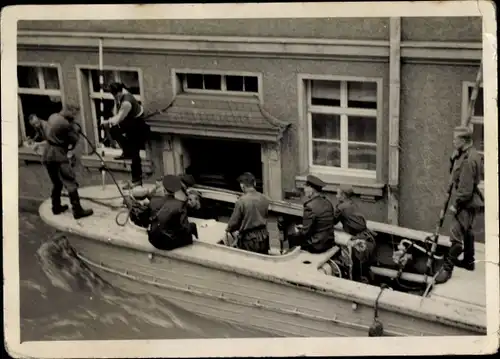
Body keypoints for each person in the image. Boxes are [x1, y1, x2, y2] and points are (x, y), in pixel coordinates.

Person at [435, 126, 484, 284]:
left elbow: (465, 189)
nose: (453, 141)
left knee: (456, 237)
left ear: (464, 141)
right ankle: (469, 261)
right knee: (467, 230)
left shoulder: (468, 160)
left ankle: (447, 270)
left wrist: (455, 205)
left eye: (455, 139)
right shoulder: (470, 153)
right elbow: (456, 173)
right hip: (470, 201)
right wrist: (453, 158)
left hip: (465, 202)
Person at [43, 106, 93, 219]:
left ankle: (55, 207)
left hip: (47, 154)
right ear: (70, 112)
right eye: (75, 114)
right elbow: (73, 140)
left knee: (57, 182)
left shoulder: (52, 116)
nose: (75, 116)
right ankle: (77, 210)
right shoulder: (66, 124)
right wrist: (76, 130)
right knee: (70, 181)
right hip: (58, 155)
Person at [101, 82, 151, 190]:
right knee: (114, 130)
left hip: (138, 125)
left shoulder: (126, 103)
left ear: (119, 92)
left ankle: (137, 181)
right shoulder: (122, 95)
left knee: (135, 154)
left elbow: (119, 118)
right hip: (130, 122)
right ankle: (126, 151)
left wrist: (107, 121)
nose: (114, 97)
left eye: (115, 94)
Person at [334, 185, 377, 281]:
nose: (336, 196)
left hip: (358, 241)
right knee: (365, 268)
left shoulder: (341, 207)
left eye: (337, 194)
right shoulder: (353, 204)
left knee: (355, 270)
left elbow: (332, 221)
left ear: (343, 195)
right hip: (368, 238)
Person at [147, 175, 198, 251]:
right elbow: (185, 228)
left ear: (164, 188)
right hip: (168, 243)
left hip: (152, 239)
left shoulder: (153, 200)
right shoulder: (180, 204)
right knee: (192, 227)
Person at [288, 175, 336, 254]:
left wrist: (297, 232)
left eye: (306, 187)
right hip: (329, 242)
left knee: (291, 237)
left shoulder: (310, 206)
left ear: (312, 189)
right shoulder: (328, 203)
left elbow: (305, 233)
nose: (304, 190)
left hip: (316, 245)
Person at [226, 172, 270, 254]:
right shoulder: (264, 198)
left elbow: (233, 223)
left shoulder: (241, 201)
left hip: (249, 241)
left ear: (242, 185)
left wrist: (229, 229)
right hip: (264, 236)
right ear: (255, 183)